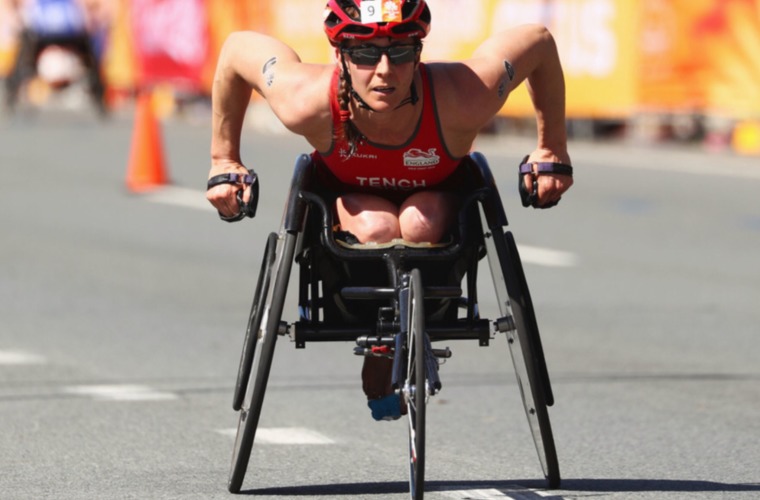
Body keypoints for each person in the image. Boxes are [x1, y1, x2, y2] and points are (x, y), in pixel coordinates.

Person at [207, 0, 573, 421]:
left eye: (399, 52)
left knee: (420, 221)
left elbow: (539, 43)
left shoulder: (465, 94)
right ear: (340, 55)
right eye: (364, 53)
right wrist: (224, 161)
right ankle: (382, 341)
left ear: (419, 51)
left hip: (438, 198)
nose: (384, 70)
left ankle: (420, 323)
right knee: (379, 226)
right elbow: (237, 51)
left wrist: (552, 148)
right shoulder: (305, 99)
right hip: (348, 205)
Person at [4, 0, 107, 114]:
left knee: (89, 49)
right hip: (41, 35)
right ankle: (12, 90)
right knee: (25, 47)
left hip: (67, 34)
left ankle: (98, 90)